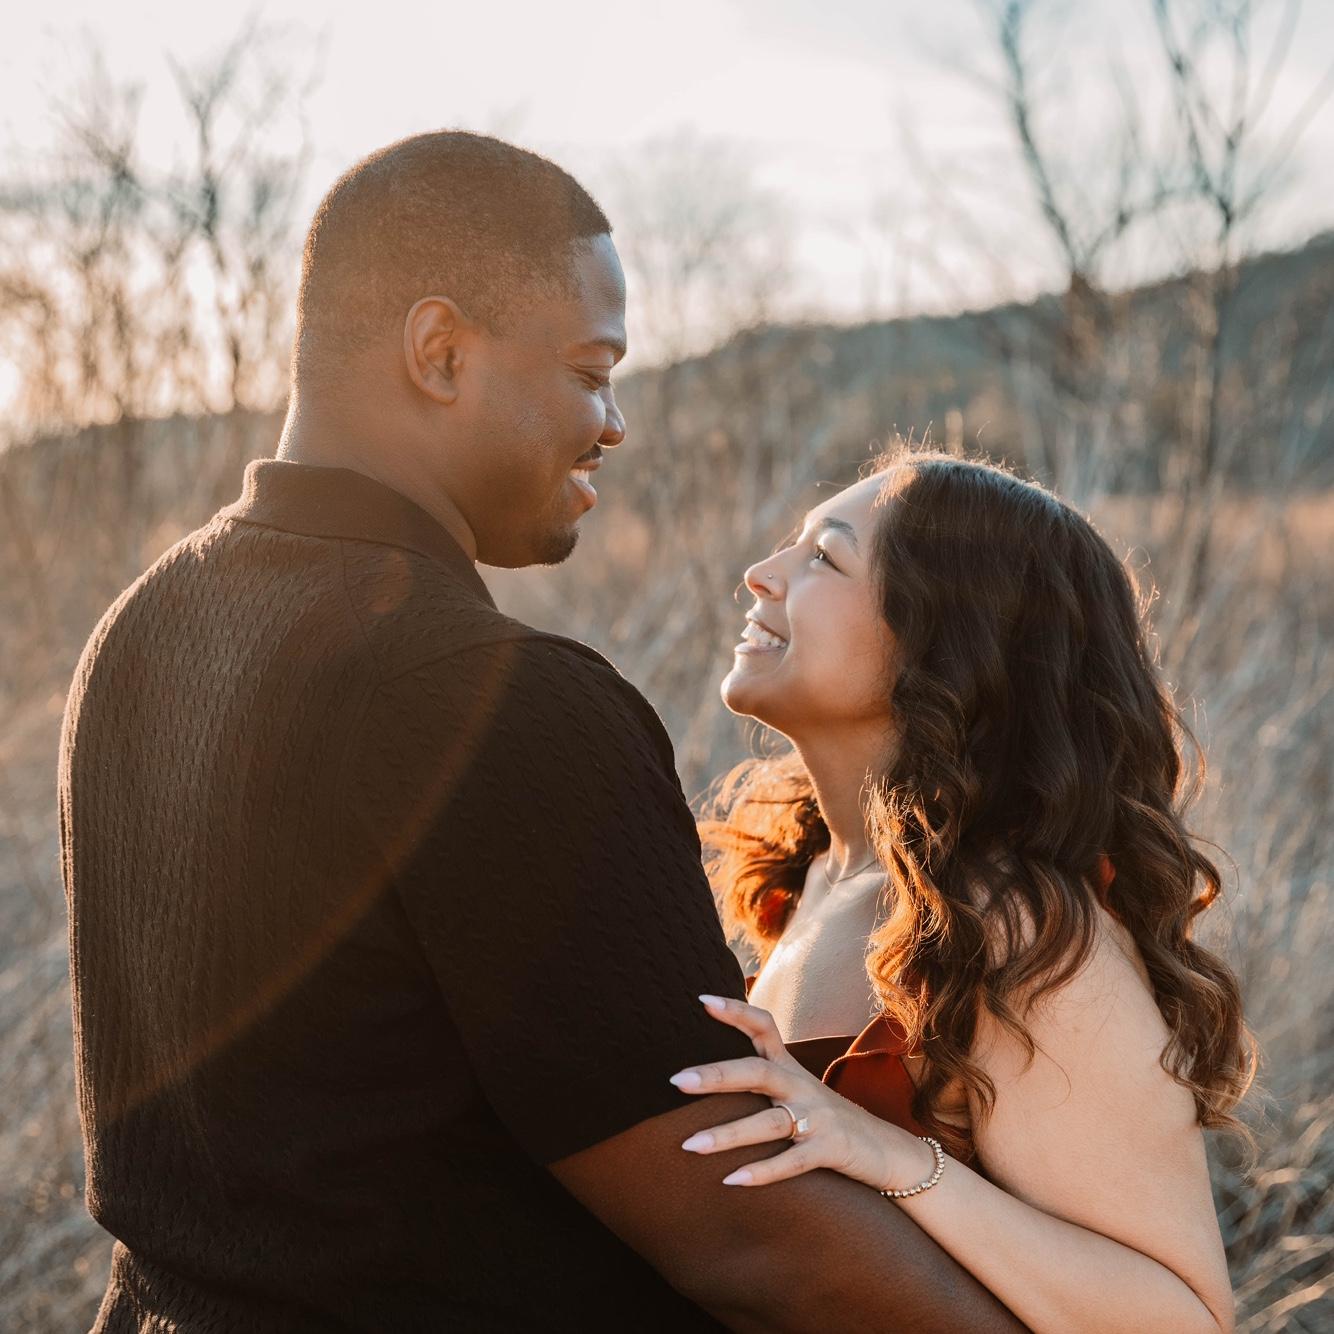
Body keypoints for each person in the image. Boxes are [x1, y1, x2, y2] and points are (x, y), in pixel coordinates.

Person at [59, 133, 1023, 1331]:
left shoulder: (139, 631)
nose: (611, 422)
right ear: (440, 351)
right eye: (589, 370)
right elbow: (747, 1228)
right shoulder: (492, 700)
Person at [673, 450, 1255, 1332]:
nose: (761, 573)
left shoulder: (1018, 929)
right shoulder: (805, 875)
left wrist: (893, 1158)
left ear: (944, 642)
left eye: (823, 557)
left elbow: (1178, 1320)